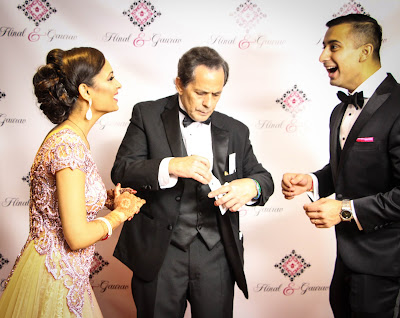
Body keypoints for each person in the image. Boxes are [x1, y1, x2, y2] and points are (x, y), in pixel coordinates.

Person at [111, 46, 274, 318]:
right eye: (200, 93)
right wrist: (171, 165)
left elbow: (264, 178)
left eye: (216, 94)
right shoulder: (147, 115)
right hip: (160, 253)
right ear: (179, 84)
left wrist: (252, 186)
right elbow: (122, 170)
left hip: (217, 253)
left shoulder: (236, 130)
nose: (208, 103)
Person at [0, 47, 145, 318]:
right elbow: (76, 237)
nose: (119, 84)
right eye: (111, 78)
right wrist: (120, 214)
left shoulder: (71, 138)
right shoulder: (68, 145)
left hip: (66, 276)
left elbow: (64, 206)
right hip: (55, 278)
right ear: (86, 91)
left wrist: (106, 199)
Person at [282, 14, 400, 318]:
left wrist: (344, 210)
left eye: (333, 47)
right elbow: (348, 169)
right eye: (324, 47)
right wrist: (312, 181)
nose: (323, 57)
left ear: (365, 51)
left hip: (388, 267)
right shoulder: (339, 111)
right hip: (347, 260)